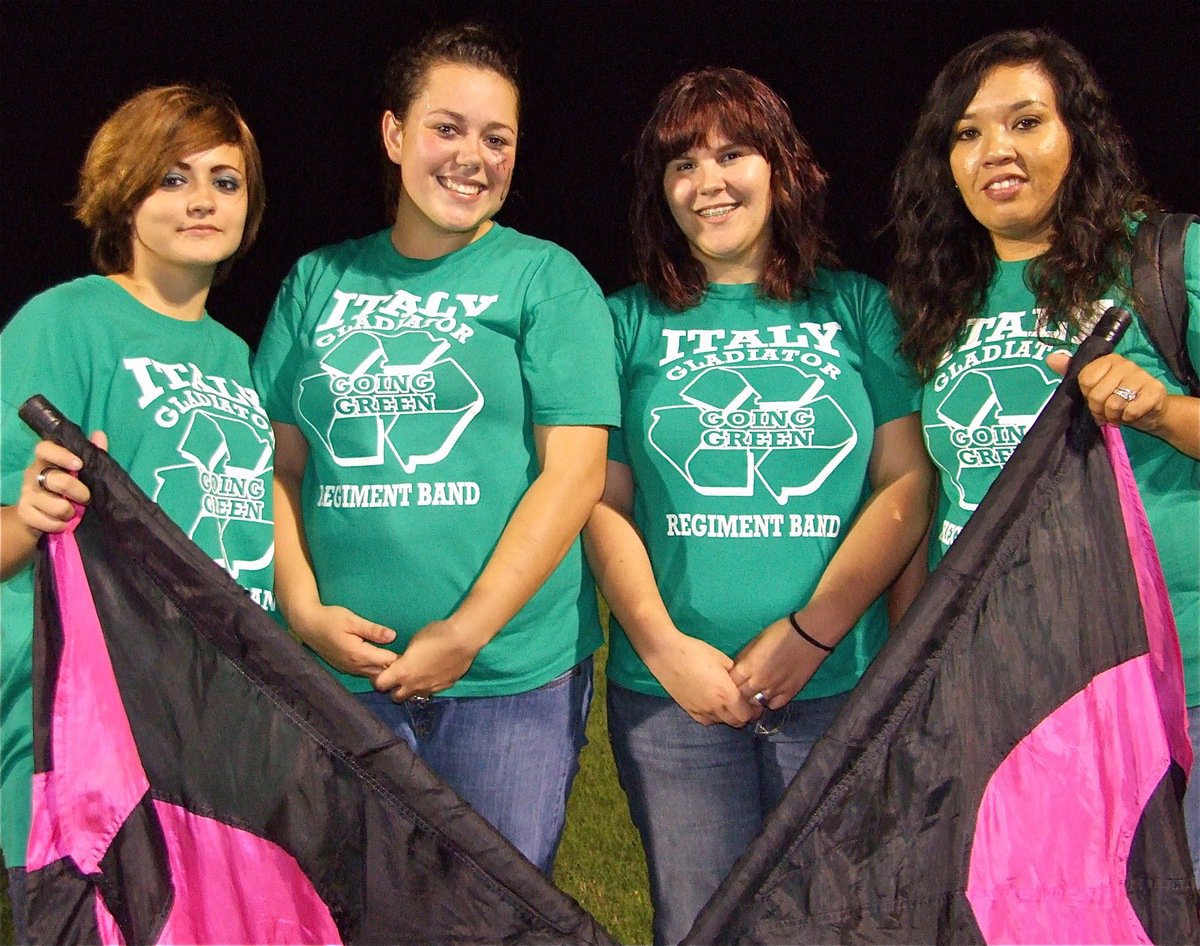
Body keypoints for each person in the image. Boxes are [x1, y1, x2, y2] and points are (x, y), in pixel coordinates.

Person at [251, 23, 619, 876]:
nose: (472, 157)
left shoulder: (547, 279)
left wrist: (465, 632)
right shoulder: (319, 280)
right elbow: (277, 464)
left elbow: (575, 475)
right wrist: (303, 611)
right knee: (354, 909)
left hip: (507, 684)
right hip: (344, 678)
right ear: (395, 135)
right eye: (446, 128)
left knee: (491, 918)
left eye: (498, 139)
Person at [585, 67, 933, 944]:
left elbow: (906, 483)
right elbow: (600, 501)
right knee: (701, 926)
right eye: (682, 165)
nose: (709, 184)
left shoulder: (858, 309)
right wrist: (666, 650)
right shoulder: (622, 323)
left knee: (840, 924)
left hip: (838, 684)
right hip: (673, 701)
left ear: (781, 168)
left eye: (733, 154)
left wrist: (813, 632)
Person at [889, 27, 1200, 882]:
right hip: (1009, 696)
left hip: (1168, 686)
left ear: (1079, 136)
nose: (997, 149)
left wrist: (1165, 411)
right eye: (968, 132)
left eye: (1026, 122)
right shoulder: (938, 296)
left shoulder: (1167, 257)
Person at [0, 84, 273, 941]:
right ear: (124, 193)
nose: (202, 200)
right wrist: (31, 511)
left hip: (220, 729)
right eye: (172, 178)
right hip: (92, 744)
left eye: (225, 181)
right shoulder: (65, 321)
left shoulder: (236, 354)